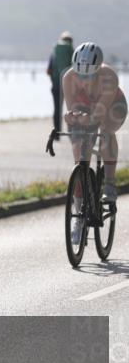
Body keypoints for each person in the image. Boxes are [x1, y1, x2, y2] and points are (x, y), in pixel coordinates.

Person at [63, 42, 127, 243]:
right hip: (86, 106)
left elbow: (99, 114)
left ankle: (109, 183)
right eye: (80, 75)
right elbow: (74, 108)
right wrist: (72, 117)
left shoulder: (109, 77)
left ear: (99, 69)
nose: (84, 80)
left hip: (112, 106)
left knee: (107, 131)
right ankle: (79, 213)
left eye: (89, 75)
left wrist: (88, 120)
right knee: (79, 154)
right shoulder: (68, 78)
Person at [47, 32, 74, 134]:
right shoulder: (72, 51)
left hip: (56, 85)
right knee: (71, 109)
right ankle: (71, 131)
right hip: (69, 86)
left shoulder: (54, 52)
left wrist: (54, 80)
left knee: (57, 109)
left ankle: (56, 133)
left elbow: (48, 71)